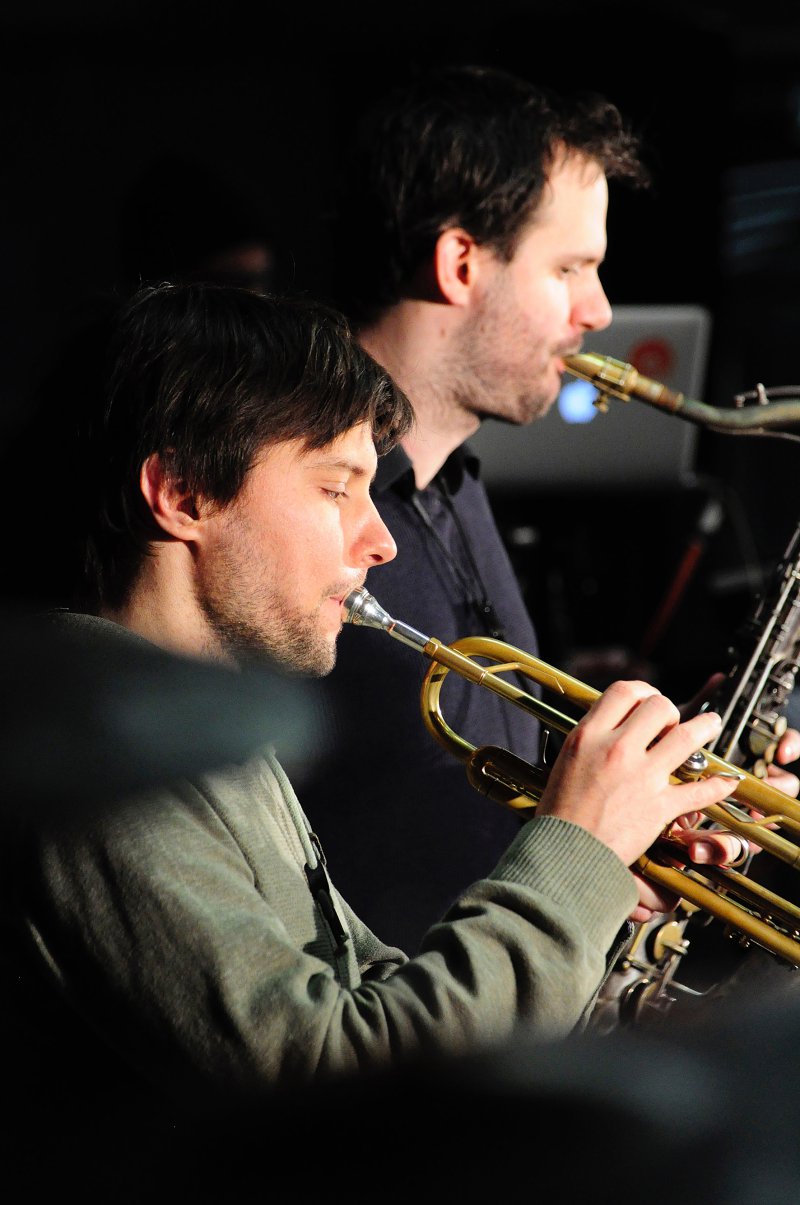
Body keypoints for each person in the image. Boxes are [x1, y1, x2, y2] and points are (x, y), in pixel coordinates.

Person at [0, 281, 741, 1145]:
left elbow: (376, 997)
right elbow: (338, 1084)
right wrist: (577, 847)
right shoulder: (105, 759)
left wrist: (603, 878)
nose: (381, 540)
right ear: (184, 492)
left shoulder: (194, 725)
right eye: (336, 489)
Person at [300, 63, 800, 953]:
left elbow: (498, 803)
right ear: (460, 264)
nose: (598, 310)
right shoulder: (304, 512)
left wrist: (657, 778)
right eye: (571, 268)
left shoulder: (455, 484)